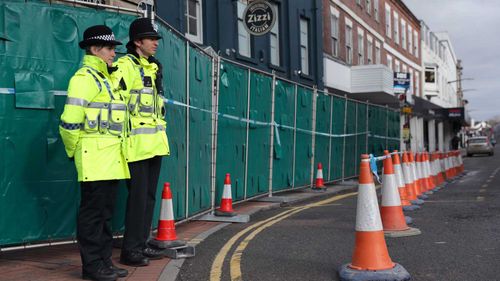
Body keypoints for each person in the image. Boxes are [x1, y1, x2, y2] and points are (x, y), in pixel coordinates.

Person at [59, 25, 130, 281]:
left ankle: (104, 263)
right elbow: (69, 122)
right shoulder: (84, 78)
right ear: (94, 49)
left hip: (110, 159)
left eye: (114, 48)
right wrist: (76, 150)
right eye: (110, 48)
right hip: (94, 159)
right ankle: (92, 267)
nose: (114, 53)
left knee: (105, 214)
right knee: (93, 215)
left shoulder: (106, 78)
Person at [113, 18, 170, 267]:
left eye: (156, 39)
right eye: (151, 39)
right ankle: (130, 251)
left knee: (147, 198)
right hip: (134, 146)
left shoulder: (153, 67)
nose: (156, 43)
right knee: (137, 199)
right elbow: (116, 103)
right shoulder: (125, 65)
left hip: (154, 145)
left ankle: (141, 243)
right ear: (138, 42)